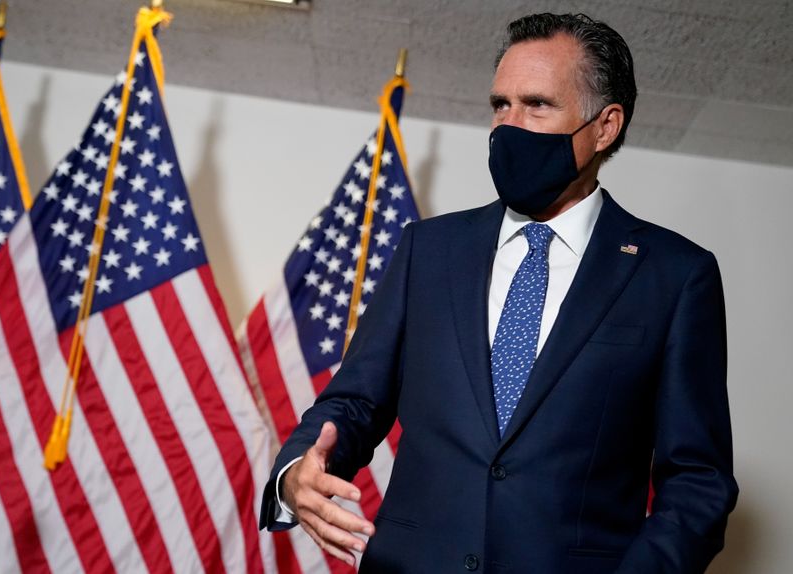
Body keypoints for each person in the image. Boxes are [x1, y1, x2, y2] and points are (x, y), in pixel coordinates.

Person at [260, 12, 738, 573]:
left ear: (605, 127)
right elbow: (354, 401)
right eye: (500, 105)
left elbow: (698, 480)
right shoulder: (428, 251)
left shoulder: (676, 275)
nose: (508, 126)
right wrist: (294, 473)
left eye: (536, 105)